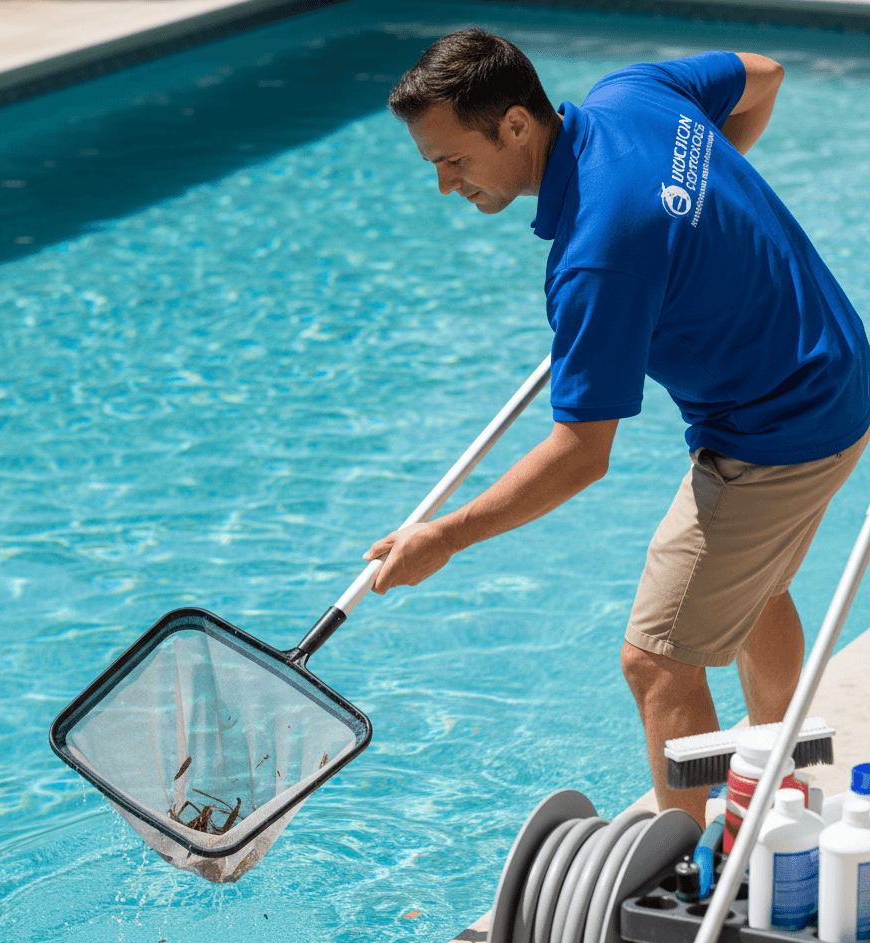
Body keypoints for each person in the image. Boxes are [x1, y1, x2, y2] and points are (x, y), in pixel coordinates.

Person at [363, 28, 870, 824]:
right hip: (842, 369)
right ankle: (782, 781)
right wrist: (697, 215)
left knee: (656, 660)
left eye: (453, 160)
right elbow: (763, 75)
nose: (444, 184)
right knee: (752, 587)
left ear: (518, 127)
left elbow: (580, 456)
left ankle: (689, 883)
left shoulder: (598, 256)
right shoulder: (632, 95)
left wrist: (445, 536)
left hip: (780, 433)